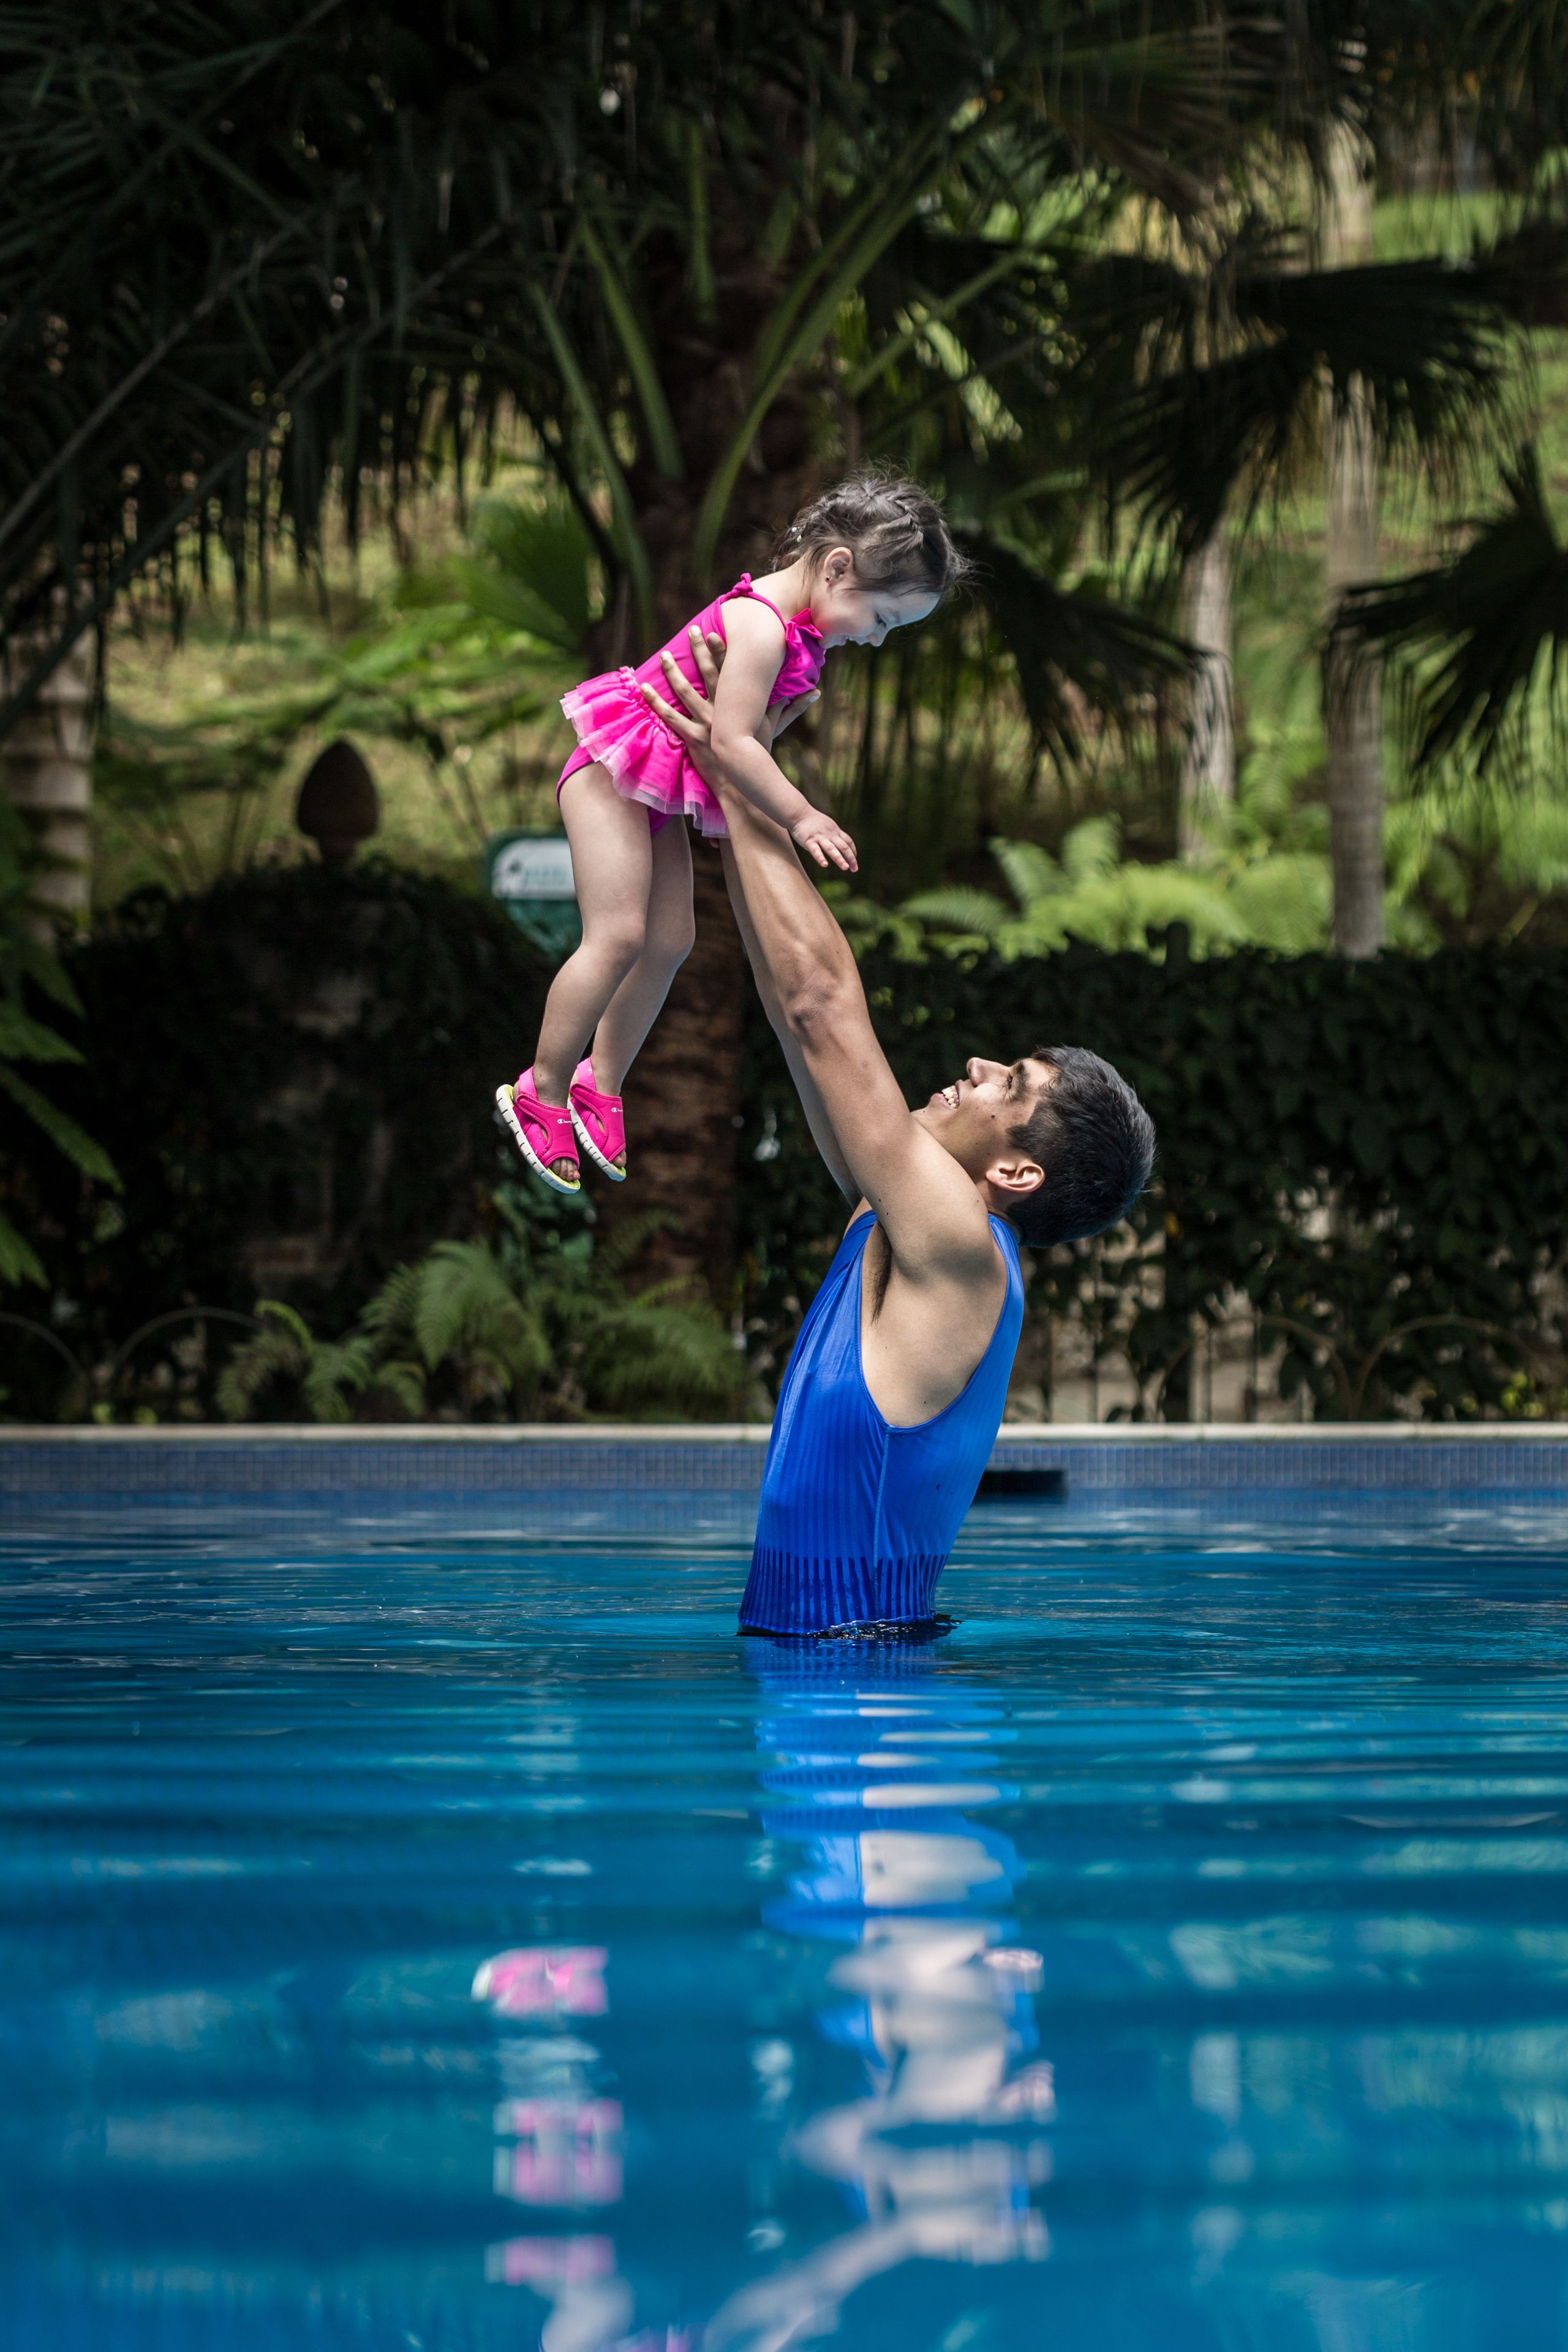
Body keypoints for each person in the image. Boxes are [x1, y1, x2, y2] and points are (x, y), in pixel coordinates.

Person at [641, 632, 1155, 1638]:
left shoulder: (962, 1249)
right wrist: (728, 796)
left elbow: (829, 1009)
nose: (972, 1068)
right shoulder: (897, 1218)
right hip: (827, 1680)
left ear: (1015, 1167)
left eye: (1005, 1084)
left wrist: (740, 777)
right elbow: (799, 1014)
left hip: (864, 1706)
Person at [495, 474, 968, 1195]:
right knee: (618, 935)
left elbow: (755, 733)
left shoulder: (794, 637)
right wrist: (802, 815)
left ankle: (602, 1081)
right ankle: (543, 1086)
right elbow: (735, 742)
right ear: (837, 566)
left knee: (670, 941)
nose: (874, 638)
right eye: (879, 618)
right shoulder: (757, 625)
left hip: (655, 784)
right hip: (608, 771)